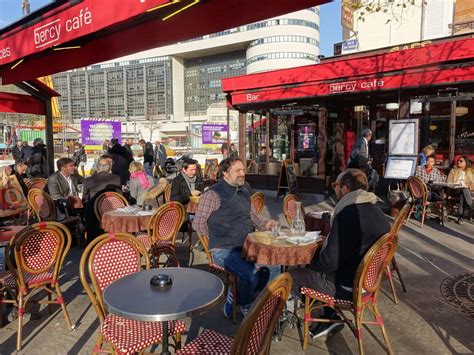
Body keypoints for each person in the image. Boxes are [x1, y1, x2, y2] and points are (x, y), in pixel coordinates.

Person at [289, 168, 390, 339]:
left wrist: (309, 263)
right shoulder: (378, 212)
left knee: (292, 274)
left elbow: (329, 263)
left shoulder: (348, 215)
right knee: (315, 267)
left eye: (335, 185)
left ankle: (323, 318)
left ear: (344, 189)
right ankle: (327, 314)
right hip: (369, 286)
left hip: (346, 288)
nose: (333, 188)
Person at [193, 157, 280, 318]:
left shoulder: (244, 191)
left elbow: (254, 217)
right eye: (237, 171)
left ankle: (261, 301)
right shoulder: (212, 194)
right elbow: (198, 224)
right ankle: (239, 303)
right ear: (225, 173)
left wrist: (267, 225)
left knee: (274, 265)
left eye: (243, 169)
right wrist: (214, 239)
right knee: (251, 275)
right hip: (223, 249)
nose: (242, 173)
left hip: (247, 246)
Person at [82, 158, 123, 242]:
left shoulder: (89, 179)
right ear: (109, 168)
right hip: (112, 210)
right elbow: (119, 196)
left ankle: (92, 245)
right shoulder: (116, 178)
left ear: (97, 167)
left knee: (87, 209)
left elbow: (85, 197)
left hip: (93, 211)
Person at [447, 156, 473, 223]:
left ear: (465, 163)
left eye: (461, 161)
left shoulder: (470, 172)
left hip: (465, 191)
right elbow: (448, 183)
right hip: (455, 190)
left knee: (463, 193)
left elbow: (473, 184)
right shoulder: (453, 170)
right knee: (463, 190)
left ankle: (460, 217)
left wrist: (467, 186)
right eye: (458, 160)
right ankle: (471, 206)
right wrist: (456, 184)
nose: (459, 162)